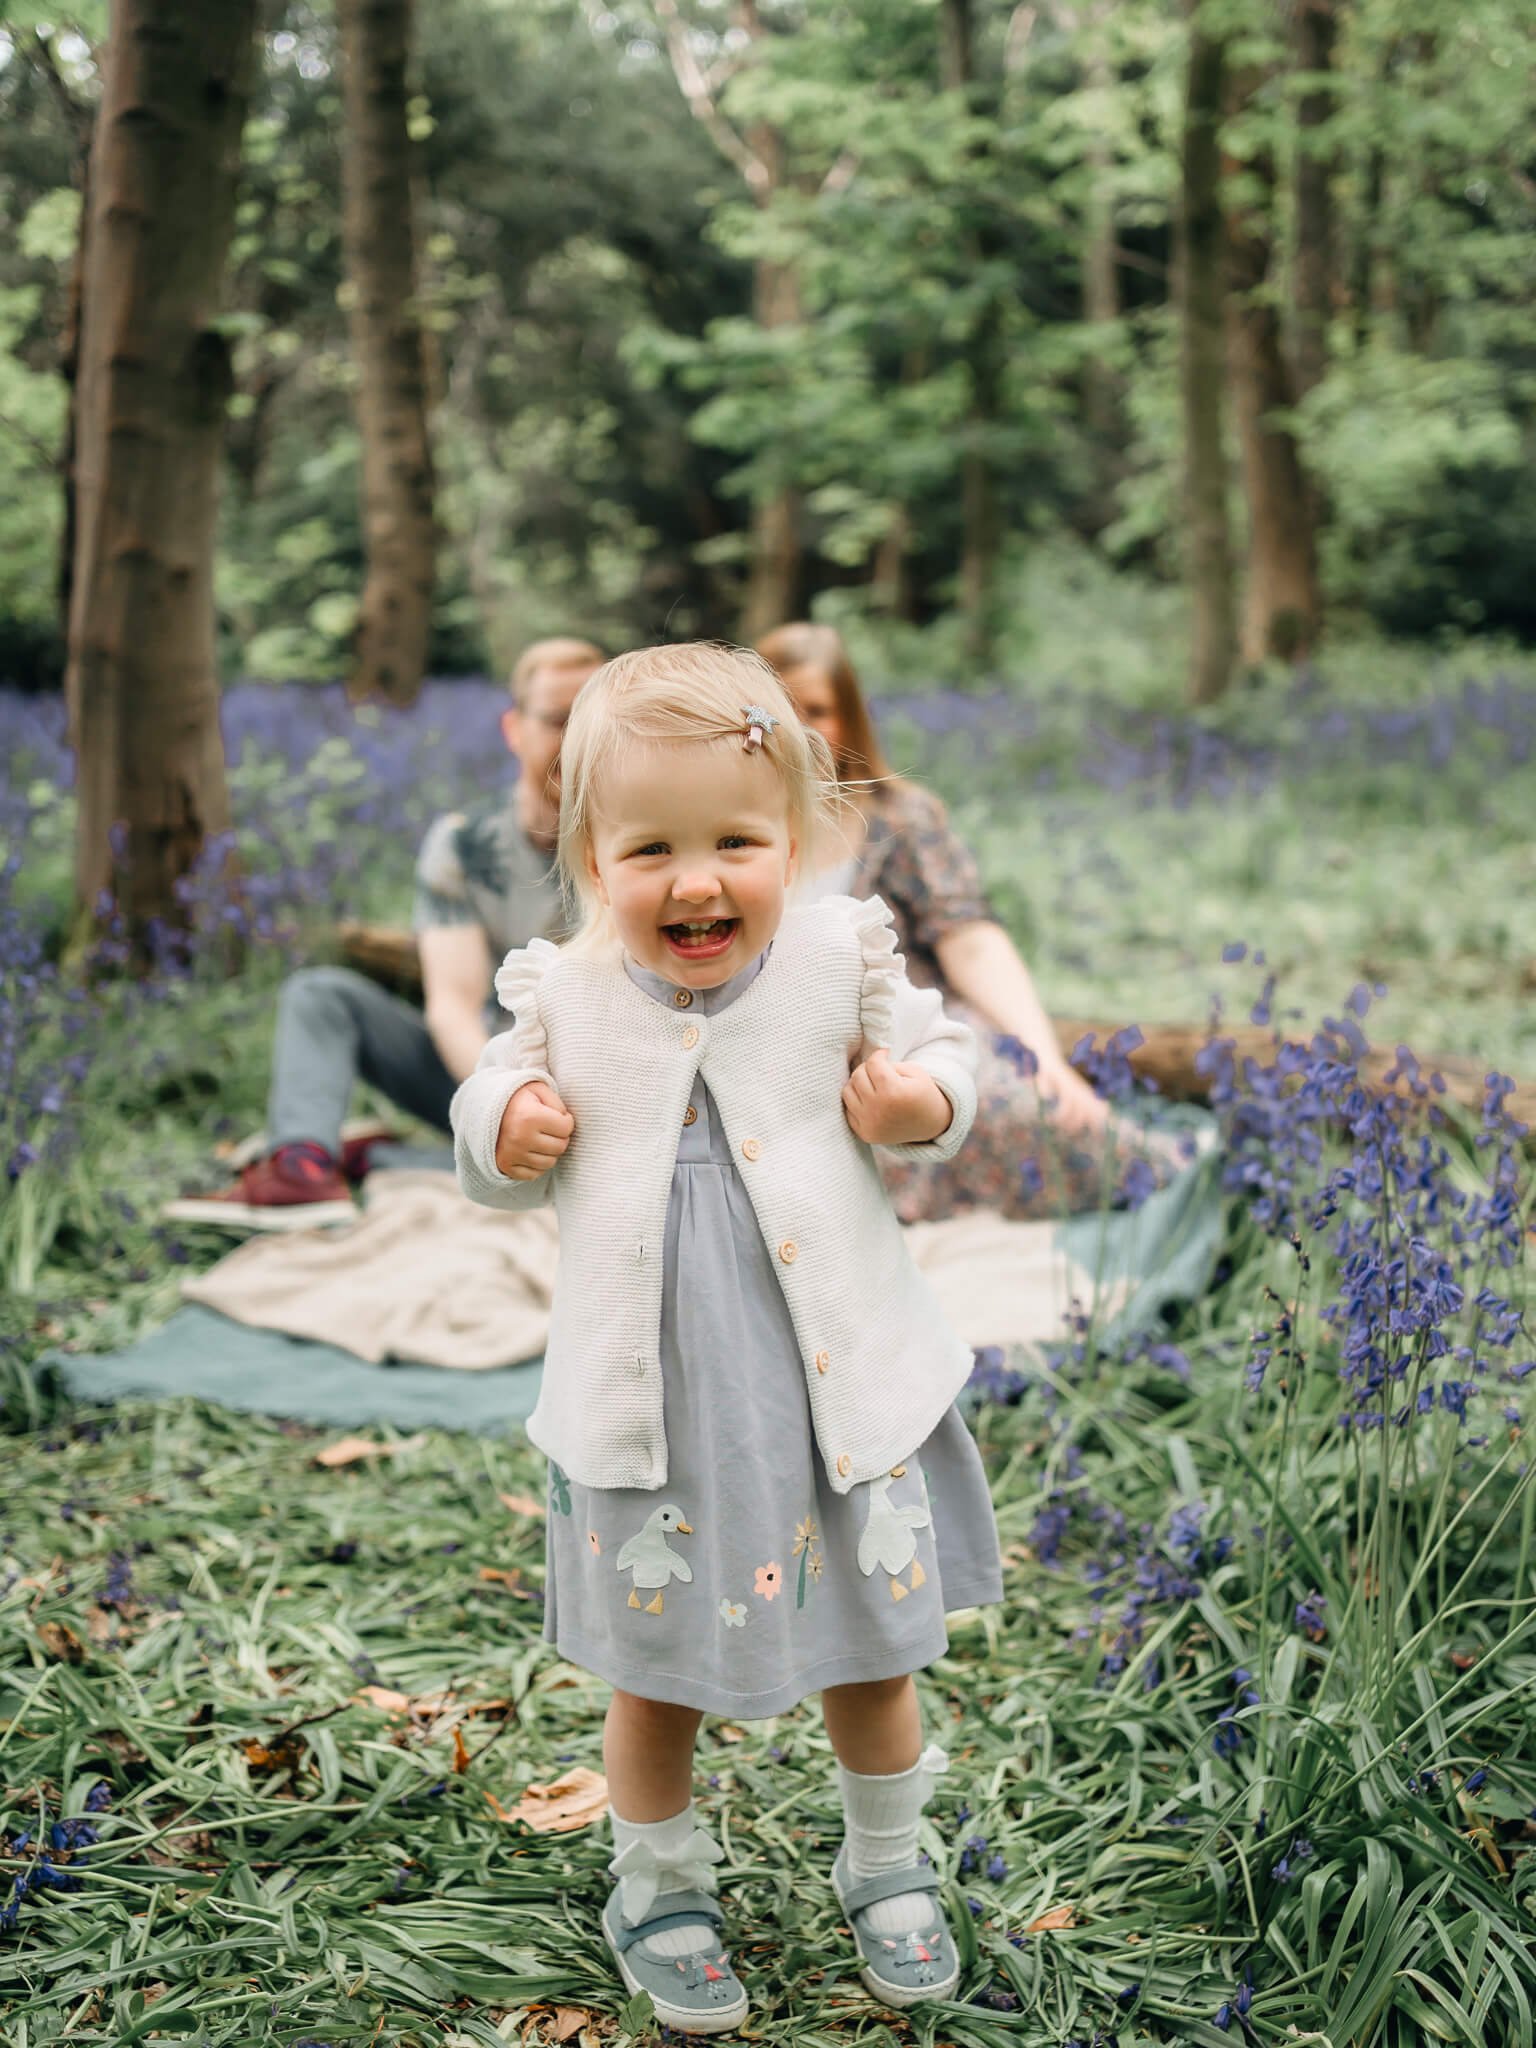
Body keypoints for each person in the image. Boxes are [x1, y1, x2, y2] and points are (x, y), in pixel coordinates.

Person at [451, 644, 1002, 2032]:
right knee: (657, 1677)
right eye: (651, 848)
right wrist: (500, 1129)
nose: (696, 881)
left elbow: (949, 1059)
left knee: (875, 1655)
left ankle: (887, 1863)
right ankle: (659, 1881)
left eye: (737, 843)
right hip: (664, 1418)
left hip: (837, 1400)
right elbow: (486, 1124)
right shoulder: (561, 996)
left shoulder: (841, 958)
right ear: (588, 854)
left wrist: (919, 1108)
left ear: (800, 840)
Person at [165, 637, 605, 1230]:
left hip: (609, 1082)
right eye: (557, 719)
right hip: (488, 1072)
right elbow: (453, 1006)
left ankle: (382, 1158)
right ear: (514, 728)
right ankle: (301, 1167)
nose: (576, 739)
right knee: (321, 996)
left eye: (594, 720)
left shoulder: (644, 840)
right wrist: (504, 1105)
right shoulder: (462, 846)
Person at [756, 620, 1190, 1222]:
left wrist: (1046, 1061)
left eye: (819, 710)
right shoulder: (730, 822)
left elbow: (972, 942)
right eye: (785, 710)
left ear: (850, 718)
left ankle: (1171, 1175)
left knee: (1017, 1108)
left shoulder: (897, 818)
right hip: (774, 1041)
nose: (803, 731)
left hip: (903, 1028)